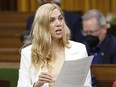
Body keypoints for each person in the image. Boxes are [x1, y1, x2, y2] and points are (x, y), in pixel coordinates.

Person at [17, 3, 92, 87]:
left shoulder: (79, 49)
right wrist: (37, 85)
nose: (58, 24)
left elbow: (87, 83)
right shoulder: (28, 53)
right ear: (42, 25)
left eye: (60, 18)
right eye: (51, 20)